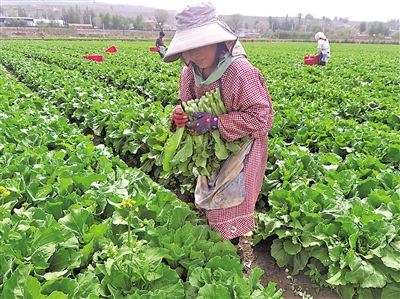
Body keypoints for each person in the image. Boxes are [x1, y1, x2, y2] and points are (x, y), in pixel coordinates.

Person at [164, 2, 274, 245]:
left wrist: (216, 121)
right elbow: (186, 106)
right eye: (188, 49)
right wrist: (180, 118)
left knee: (230, 202)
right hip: (212, 149)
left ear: (217, 41)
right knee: (212, 200)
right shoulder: (189, 73)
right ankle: (217, 245)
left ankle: (229, 249)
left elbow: (261, 118)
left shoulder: (240, 72)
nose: (193, 55)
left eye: (199, 45)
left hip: (243, 147)